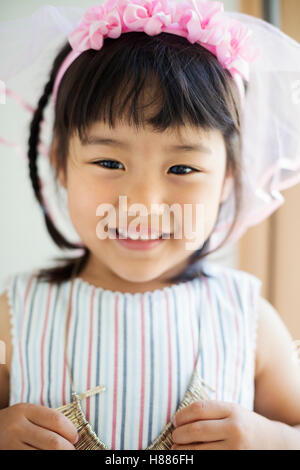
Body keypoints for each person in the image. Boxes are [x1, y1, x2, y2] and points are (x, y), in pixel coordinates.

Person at [0, 0, 300, 450]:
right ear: (61, 165)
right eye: (108, 161)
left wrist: (274, 440)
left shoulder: (248, 318)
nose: (142, 203)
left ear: (227, 179)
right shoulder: (15, 314)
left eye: (181, 169)